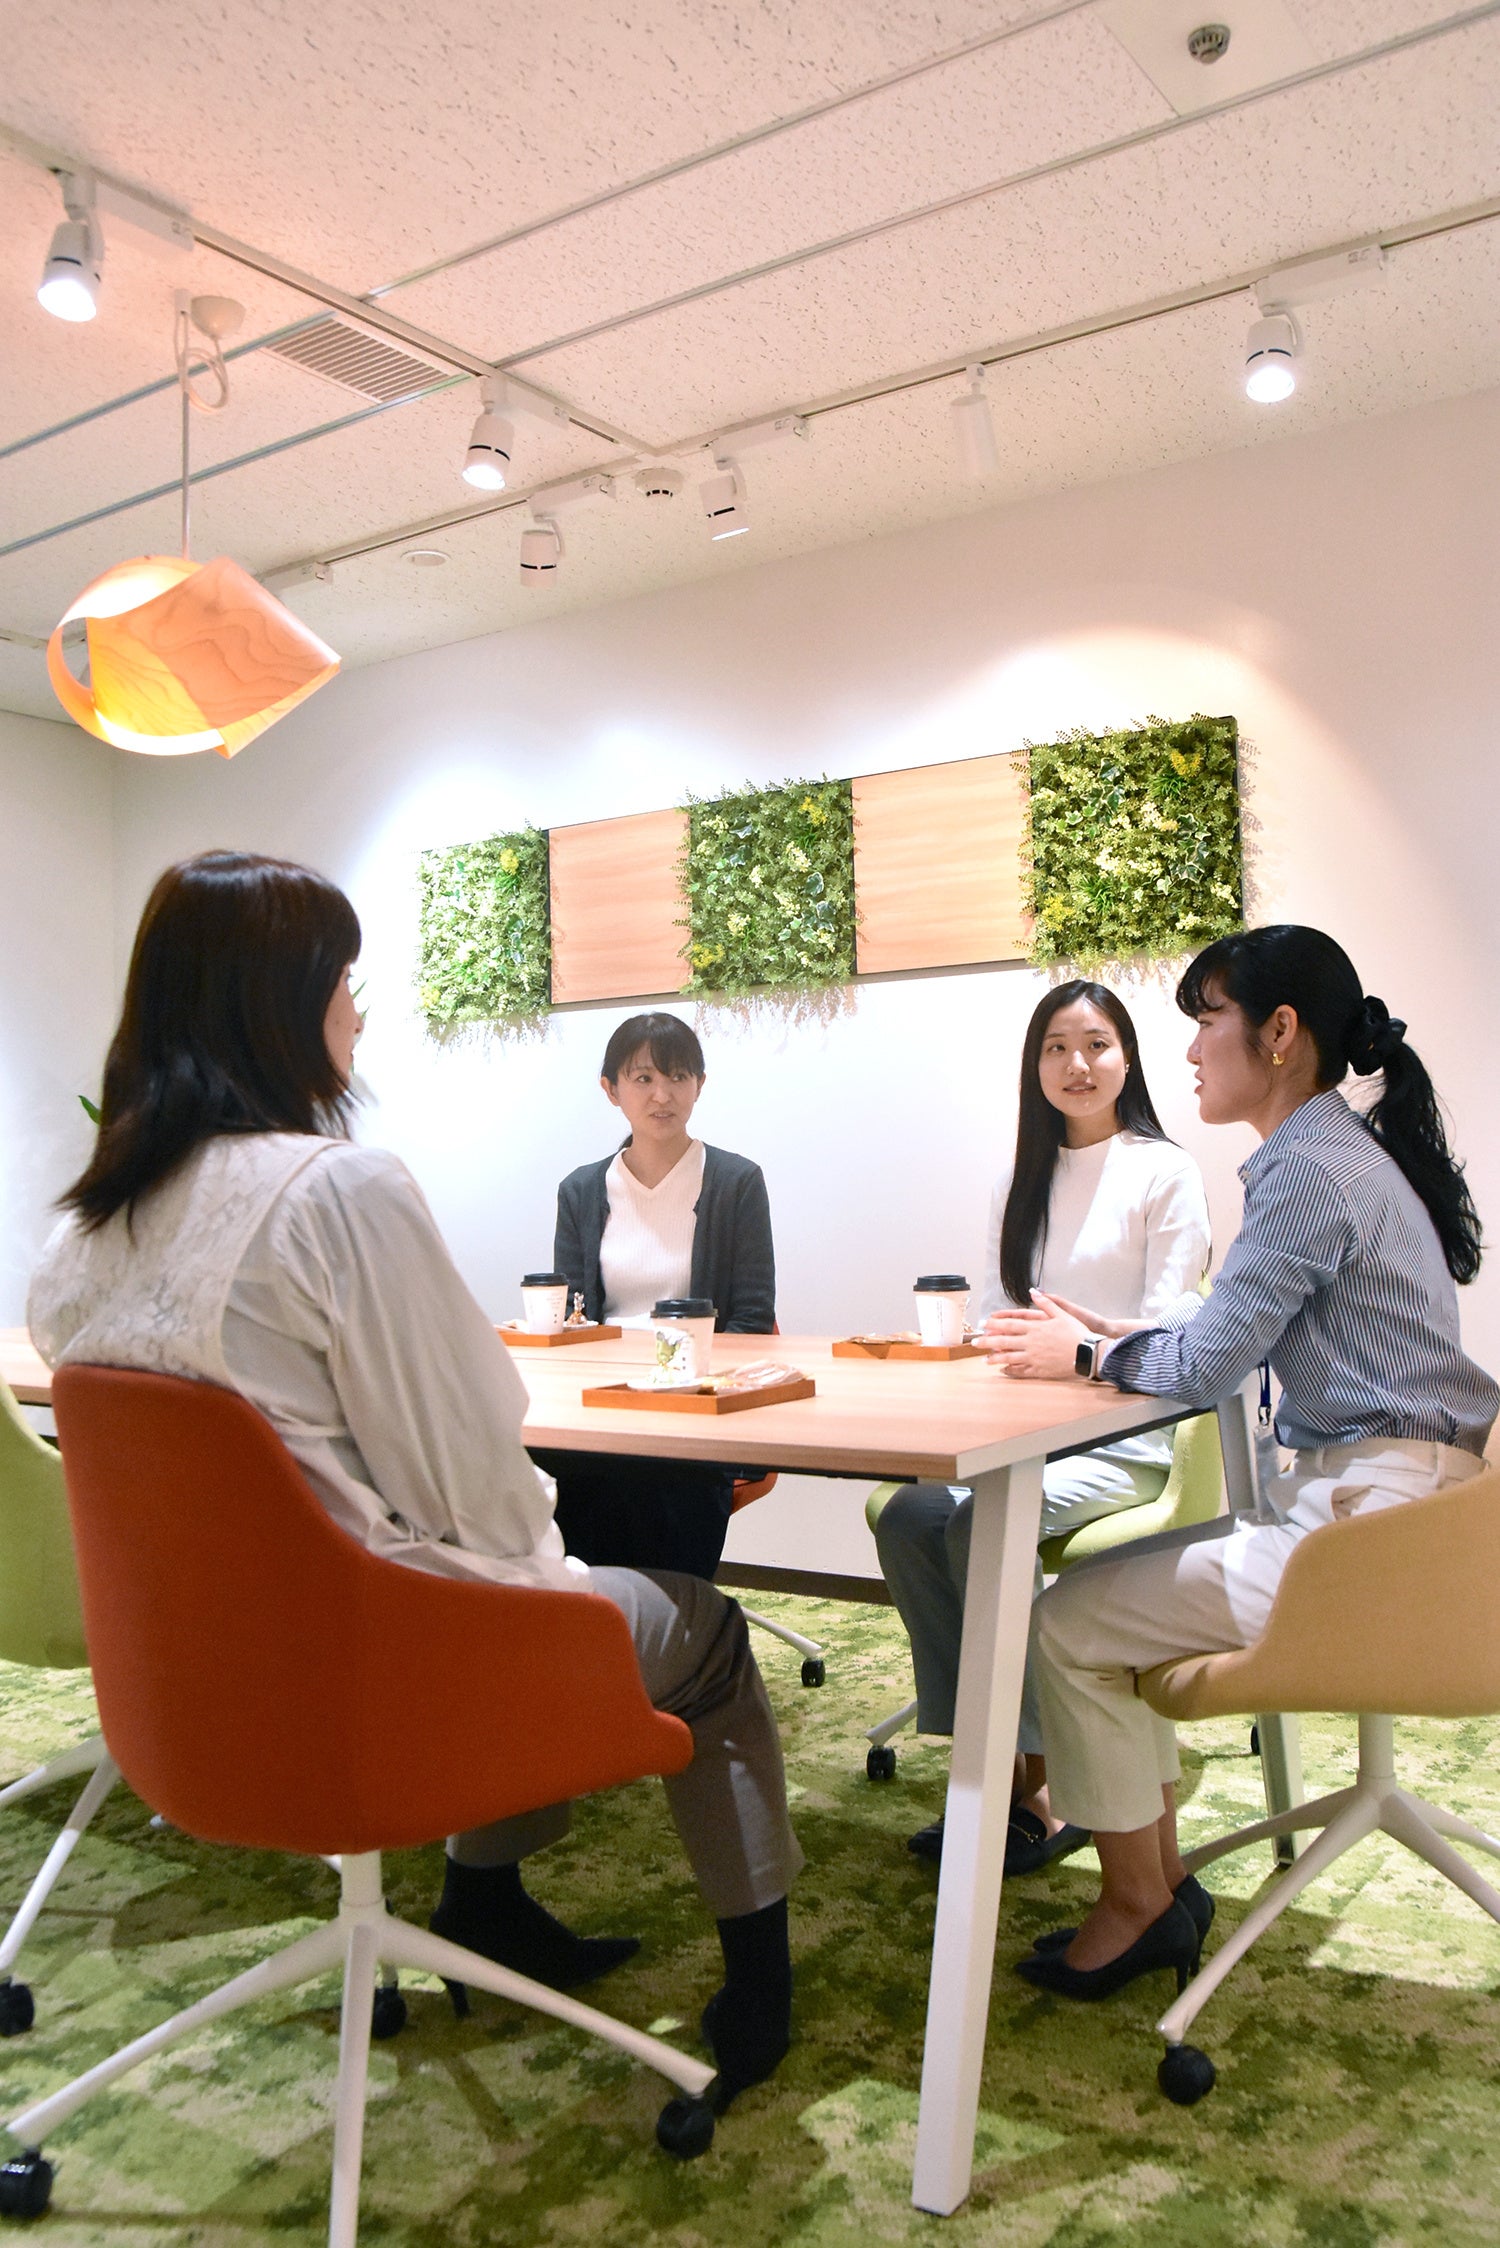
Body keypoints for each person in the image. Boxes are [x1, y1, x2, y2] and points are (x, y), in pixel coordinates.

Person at [28, 852, 801, 2113]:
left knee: (506, 1572)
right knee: (700, 1635)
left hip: (192, 1696)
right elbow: (480, 1498)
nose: (361, 1011)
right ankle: (760, 1987)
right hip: (383, 1682)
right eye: (345, 981)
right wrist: (558, 1592)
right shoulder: (336, 1191)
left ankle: (485, 1903)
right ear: (284, 1005)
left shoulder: (78, 1237)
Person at [985, 926, 1497, 2000]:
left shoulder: (1305, 1168)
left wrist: (1084, 1352)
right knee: (1104, 1609)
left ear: (1279, 1032)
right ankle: (1156, 1885)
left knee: (1066, 1623)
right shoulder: (1341, 1152)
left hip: (1368, 1527)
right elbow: (1227, 1328)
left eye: (1206, 1020)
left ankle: (1140, 1900)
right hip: (1412, 1507)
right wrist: (1118, 1333)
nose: (1188, 1051)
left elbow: (1210, 1364)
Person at [875, 980, 1210, 1873]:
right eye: (1056, 1047)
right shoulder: (1019, 1180)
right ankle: (986, 1756)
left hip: (1129, 1441)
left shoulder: (1164, 1171)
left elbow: (1175, 1328)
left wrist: (1077, 1354)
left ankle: (1039, 1779)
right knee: (909, 1516)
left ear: (1127, 1058)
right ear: (1035, 1067)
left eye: (1095, 1044)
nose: (1077, 1064)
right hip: (1028, 1431)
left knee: (980, 1525)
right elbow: (1000, 1313)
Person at [535, 1013, 775, 1578]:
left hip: (692, 1407)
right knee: (540, 1459)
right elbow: (571, 1320)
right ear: (611, 1089)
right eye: (643, 1078)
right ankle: (583, 1608)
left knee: (660, 1480)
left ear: (700, 1085)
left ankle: (669, 1614)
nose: (662, 1095)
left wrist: (679, 1386)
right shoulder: (581, 1190)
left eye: (678, 1077)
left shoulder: (736, 1182)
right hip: (603, 1402)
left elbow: (752, 1320)